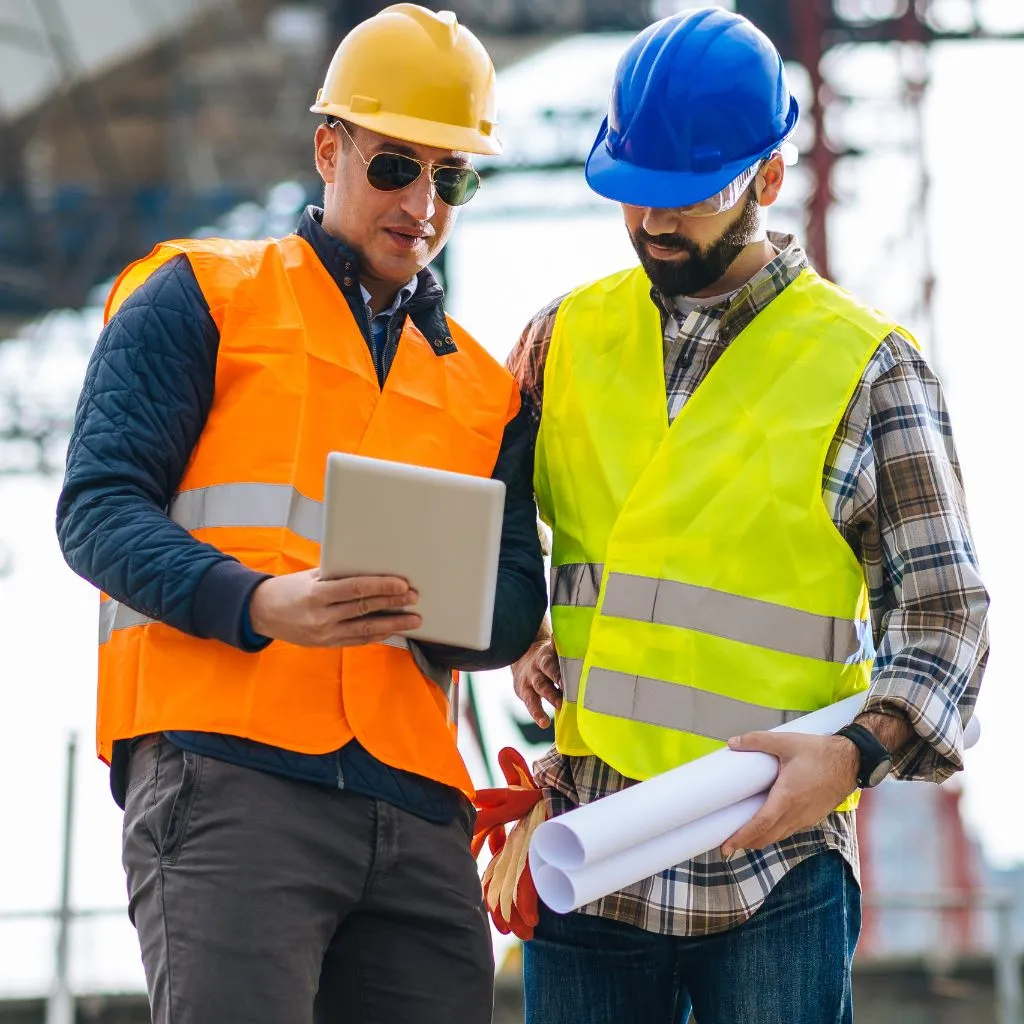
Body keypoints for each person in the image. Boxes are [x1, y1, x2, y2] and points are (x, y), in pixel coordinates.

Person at [496, 8, 988, 1023]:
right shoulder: (561, 340)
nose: (652, 224)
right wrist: (521, 628)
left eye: (687, 196)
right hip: (594, 845)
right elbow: (502, 537)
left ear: (767, 180)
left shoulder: (866, 369)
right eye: (632, 196)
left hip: (776, 865)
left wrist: (849, 759)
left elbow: (945, 619)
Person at [55, 6, 546, 1023]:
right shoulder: (200, 295)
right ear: (330, 149)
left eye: (451, 179)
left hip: (416, 809)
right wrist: (260, 602)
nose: (423, 202)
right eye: (396, 167)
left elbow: (504, 609)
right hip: (228, 775)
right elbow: (97, 509)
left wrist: (462, 608)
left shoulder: (485, 392)